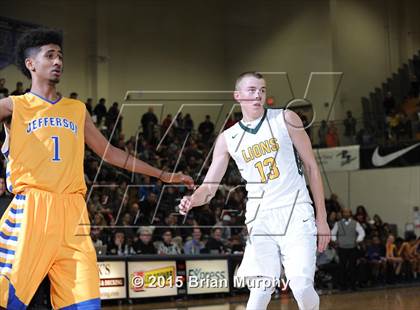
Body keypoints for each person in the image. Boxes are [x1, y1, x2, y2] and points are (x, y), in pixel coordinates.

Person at [0, 28, 193, 309]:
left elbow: (110, 152)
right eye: (50, 56)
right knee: (9, 301)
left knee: (86, 304)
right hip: (32, 209)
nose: (58, 62)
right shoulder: (14, 105)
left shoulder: (76, 109)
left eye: (60, 56)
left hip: (74, 214)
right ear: (31, 64)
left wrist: (163, 175)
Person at [179, 72, 330, 310]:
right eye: (251, 90)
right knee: (259, 290)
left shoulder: (286, 118)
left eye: (262, 89)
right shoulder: (228, 138)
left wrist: (322, 218)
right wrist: (192, 199)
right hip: (260, 218)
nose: (258, 94)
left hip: (296, 210)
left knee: (301, 285)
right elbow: (209, 188)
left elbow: (312, 167)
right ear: (237, 96)